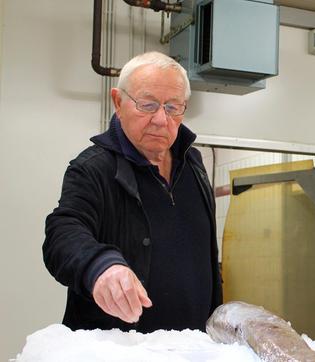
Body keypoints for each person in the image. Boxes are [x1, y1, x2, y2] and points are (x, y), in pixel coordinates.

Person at [43, 51, 223, 333]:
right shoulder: (93, 169)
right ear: (118, 101)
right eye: (148, 105)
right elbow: (63, 232)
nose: (161, 120)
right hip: (121, 350)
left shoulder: (194, 163)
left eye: (173, 107)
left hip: (193, 347)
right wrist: (101, 267)